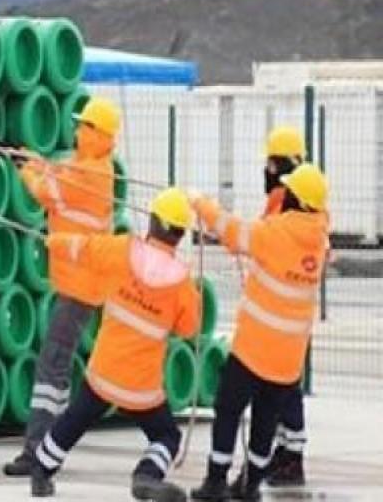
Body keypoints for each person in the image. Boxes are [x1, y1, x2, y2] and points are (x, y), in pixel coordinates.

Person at [29, 188, 202, 502]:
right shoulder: (182, 282)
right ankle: (147, 475)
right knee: (167, 435)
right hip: (141, 387)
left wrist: (52, 240)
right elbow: (189, 328)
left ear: (154, 221)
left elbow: (84, 247)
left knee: (74, 421)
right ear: (180, 234)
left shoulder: (122, 250)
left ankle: (41, 470)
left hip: (104, 373)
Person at [189, 163, 330, 502]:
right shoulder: (320, 242)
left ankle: (216, 480)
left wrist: (200, 204)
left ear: (297, 199)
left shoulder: (276, 233)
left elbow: (232, 230)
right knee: (265, 421)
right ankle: (250, 484)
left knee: (228, 408)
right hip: (289, 358)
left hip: (254, 348)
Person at [3, 96, 121, 477]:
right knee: (59, 363)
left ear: (98, 134)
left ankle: (37, 450)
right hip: (79, 283)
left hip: (79, 286)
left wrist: (24, 169)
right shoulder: (90, 168)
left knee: (52, 365)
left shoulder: (91, 174)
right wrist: (30, 158)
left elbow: (47, 190)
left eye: (84, 126)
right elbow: (58, 173)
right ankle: (50, 445)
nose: (77, 131)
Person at [259, 127, 311, 487]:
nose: (267, 170)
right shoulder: (295, 202)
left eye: (271, 164)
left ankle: (293, 458)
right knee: (279, 385)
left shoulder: (287, 205)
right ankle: (284, 450)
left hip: (283, 316)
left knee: (286, 386)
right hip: (285, 314)